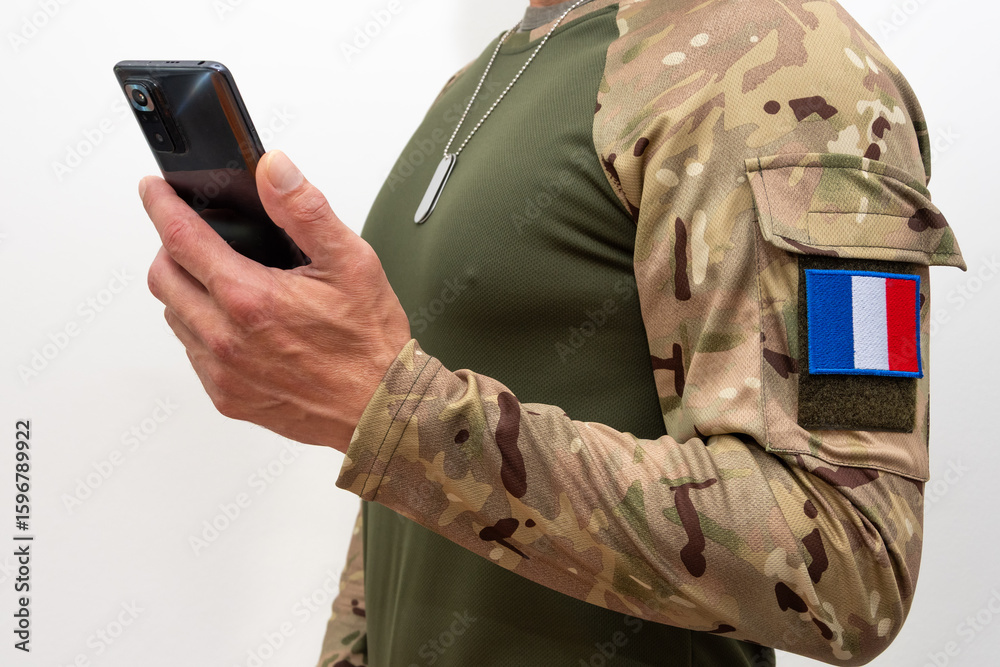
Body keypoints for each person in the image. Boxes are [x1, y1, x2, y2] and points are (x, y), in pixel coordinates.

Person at [138, 0, 967, 665]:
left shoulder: (779, 59)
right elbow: (411, 470)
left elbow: (852, 564)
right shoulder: (494, 71)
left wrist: (399, 413)